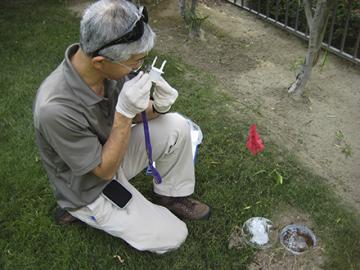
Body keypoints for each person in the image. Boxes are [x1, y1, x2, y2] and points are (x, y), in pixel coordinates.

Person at [33, 0, 210, 254]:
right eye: (135, 61)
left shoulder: (109, 69)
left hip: (111, 151)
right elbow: (103, 172)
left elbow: (134, 116)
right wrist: (125, 114)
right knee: (173, 235)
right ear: (100, 62)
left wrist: (158, 107)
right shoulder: (55, 108)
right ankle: (76, 209)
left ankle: (169, 196)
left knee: (176, 125)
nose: (138, 67)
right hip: (89, 183)